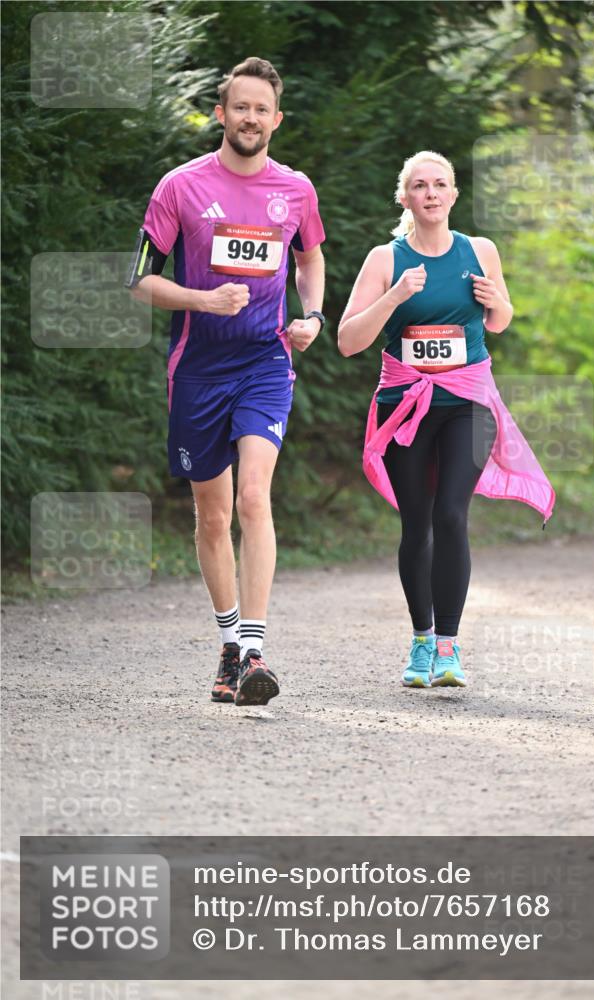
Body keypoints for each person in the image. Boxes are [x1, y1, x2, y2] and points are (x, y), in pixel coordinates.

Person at [127, 57, 326, 706]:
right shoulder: (179, 187)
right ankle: (228, 643)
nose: (250, 117)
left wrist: (312, 316)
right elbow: (138, 281)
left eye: (261, 108)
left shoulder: (295, 189)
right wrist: (199, 300)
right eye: (239, 106)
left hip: (264, 367)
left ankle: (254, 650)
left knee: (252, 500)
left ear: (277, 119)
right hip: (197, 370)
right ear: (221, 114)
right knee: (211, 516)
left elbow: (309, 257)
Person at [338, 150, 554, 690]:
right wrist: (395, 296)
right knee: (419, 521)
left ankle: (449, 648)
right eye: (419, 185)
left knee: (453, 515)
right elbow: (347, 342)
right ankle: (419, 642)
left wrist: (496, 299)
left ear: (454, 195)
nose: (430, 193)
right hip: (406, 405)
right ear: (405, 197)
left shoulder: (479, 250)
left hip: (469, 401)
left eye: (440, 184)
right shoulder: (384, 260)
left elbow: (500, 321)